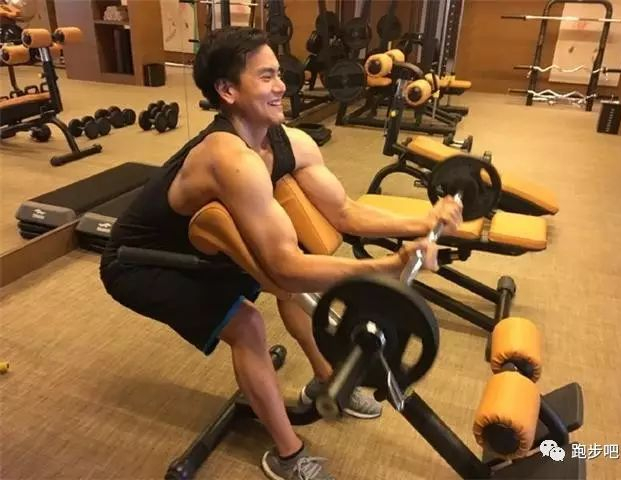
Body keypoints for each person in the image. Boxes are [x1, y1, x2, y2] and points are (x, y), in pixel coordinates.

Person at [100, 26, 462, 480]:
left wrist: (426, 220)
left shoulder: (290, 141)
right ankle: (289, 456)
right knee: (248, 324)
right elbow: (286, 269)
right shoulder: (230, 160)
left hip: (209, 243)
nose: (282, 86)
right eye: (266, 76)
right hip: (142, 261)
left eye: (279, 74)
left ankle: (327, 378)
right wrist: (389, 267)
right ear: (227, 90)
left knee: (296, 281)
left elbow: (345, 212)